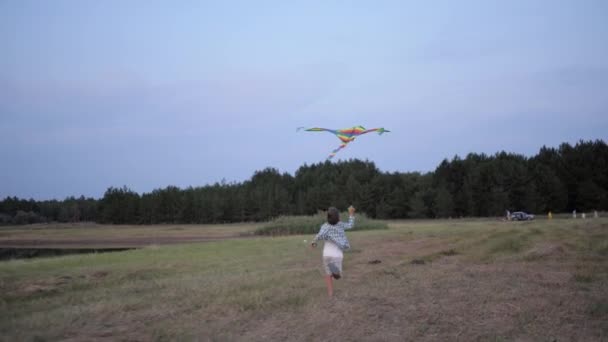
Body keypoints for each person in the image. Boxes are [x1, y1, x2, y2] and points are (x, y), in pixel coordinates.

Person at [311, 206, 355, 297]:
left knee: (328, 275)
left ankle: (330, 293)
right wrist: (351, 214)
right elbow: (351, 225)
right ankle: (336, 273)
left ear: (328, 217)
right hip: (337, 255)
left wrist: (313, 243)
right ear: (338, 217)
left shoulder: (325, 226)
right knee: (337, 276)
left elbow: (319, 236)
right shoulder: (340, 225)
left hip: (326, 255)